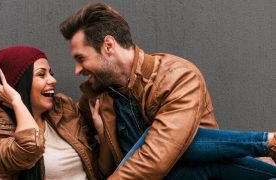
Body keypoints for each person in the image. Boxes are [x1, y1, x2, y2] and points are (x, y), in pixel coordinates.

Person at [59, 3, 276, 179]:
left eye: (81, 58)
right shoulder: (97, 97)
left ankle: (267, 143)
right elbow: (97, 164)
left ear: (108, 46)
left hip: (198, 172)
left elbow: (156, 158)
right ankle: (267, 142)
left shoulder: (177, 76)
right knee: (158, 138)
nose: (77, 70)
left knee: (165, 141)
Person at [0, 46, 107, 180]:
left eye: (50, 74)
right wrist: (17, 101)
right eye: (41, 74)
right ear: (18, 84)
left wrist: (102, 134)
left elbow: (99, 170)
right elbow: (30, 148)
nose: (53, 80)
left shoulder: (64, 109)